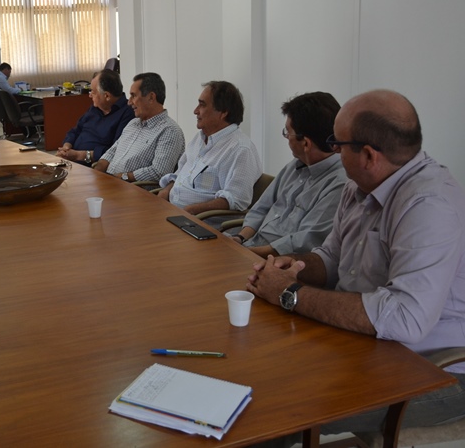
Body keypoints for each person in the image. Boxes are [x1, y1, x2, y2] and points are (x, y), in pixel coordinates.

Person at [247, 89, 465, 445]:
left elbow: (405, 318)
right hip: (362, 347)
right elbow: (332, 258)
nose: (332, 150)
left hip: (434, 371)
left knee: (270, 413)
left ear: (367, 155)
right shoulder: (360, 185)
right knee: (254, 368)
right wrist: (295, 269)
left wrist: (290, 294)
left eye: (337, 143)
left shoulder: (430, 205)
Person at [231, 92, 347, 257]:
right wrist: (240, 238)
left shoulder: (339, 183)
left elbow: (305, 241)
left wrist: (247, 253)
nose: (286, 138)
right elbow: (261, 208)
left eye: (288, 132)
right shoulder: (294, 166)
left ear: (306, 143)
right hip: (251, 246)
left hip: (277, 261)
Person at [158, 80, 262, 214]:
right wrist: (165, 191)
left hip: (203, 223)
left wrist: (190, 211)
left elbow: (236, 199)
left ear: (223, 112)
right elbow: (180, 175)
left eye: (202, 105)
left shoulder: (240, 149)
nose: (195, 111)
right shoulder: (199, 138)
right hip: (173, 212)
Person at [93, 72, 185, 183]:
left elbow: (159, 172)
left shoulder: (169, 131)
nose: (129, 102)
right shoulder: (133, 123)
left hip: (132, 191)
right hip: (110, 182)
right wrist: (97, 172)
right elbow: (112, 151)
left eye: (133, 96)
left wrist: (123, 177)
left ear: (151, 97)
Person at [56, 69, 134, 166]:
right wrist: (66, 147)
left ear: (107, 96)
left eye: (93, 92)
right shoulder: (95, 108)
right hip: (71, 161)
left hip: (93, 167)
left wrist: (79, 155)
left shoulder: (128, 113)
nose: (89, 95)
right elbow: (76, 130)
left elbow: (116, 150)